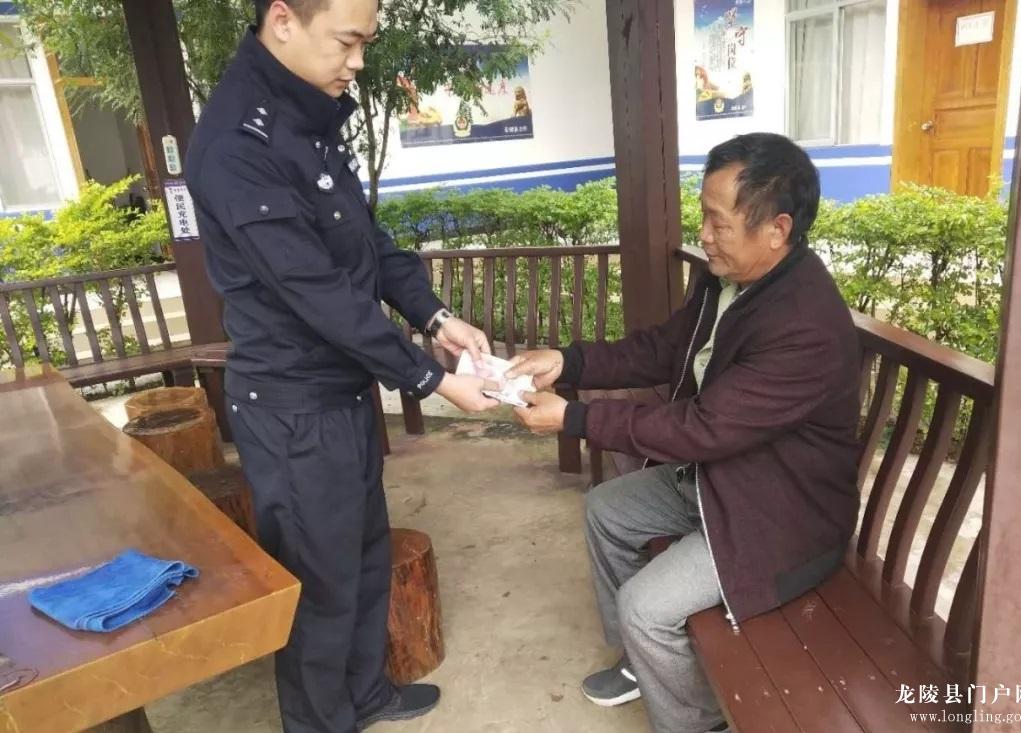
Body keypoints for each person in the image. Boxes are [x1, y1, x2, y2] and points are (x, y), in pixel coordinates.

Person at [185, 1, 499, 731]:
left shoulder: (304, 116)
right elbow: (316, 292)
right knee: (318, 586)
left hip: (341, 393)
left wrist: (436, 317)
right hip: (294, 408)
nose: (357, 62)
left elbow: (364, 242)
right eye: (347, 42)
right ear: (283, 19)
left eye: (365, 43)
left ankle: (363, 695)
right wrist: (431, 379)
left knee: (361, 558)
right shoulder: (237, 144)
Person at [508, 133, 862, 733]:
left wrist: (575, 418)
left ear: (777, 229)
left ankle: (695, 723)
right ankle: (643, 660)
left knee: (645, 607)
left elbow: (705, 427)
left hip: (780, 518)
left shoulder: (804, 326)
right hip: (725, 481)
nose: (704, 234)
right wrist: (567, 362)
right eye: (704, 216)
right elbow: (663, 350)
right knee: (605, 511)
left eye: (719, 222)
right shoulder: (729, 282)